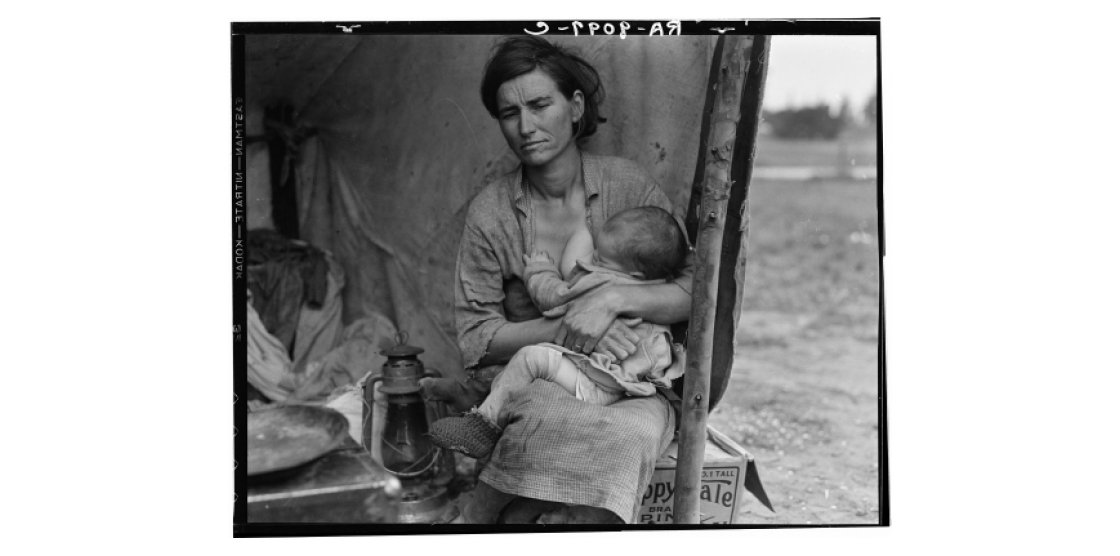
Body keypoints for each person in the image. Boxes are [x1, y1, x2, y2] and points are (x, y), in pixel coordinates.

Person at [420, 36, 693, 524]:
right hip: (546, 378)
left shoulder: (627, 187)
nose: (526, 127)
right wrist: (573, 326)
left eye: (540, 104)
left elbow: (695, 293)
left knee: (627, 440)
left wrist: (610, 300)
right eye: (509, 113)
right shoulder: (492, 212)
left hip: (635, 386)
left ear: (574, 106)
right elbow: (477, 339)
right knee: (542, 420)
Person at [428, 206, 689, 459]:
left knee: (531, 358)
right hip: (627, 382)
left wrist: (540, 270)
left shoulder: (603, 282)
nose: (592, 259)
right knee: (527, 374)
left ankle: (482, 427)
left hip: (599, 385)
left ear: (633, 273)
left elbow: (554, 297)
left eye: (600, 259)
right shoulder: (656, 289)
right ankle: (476, 401)